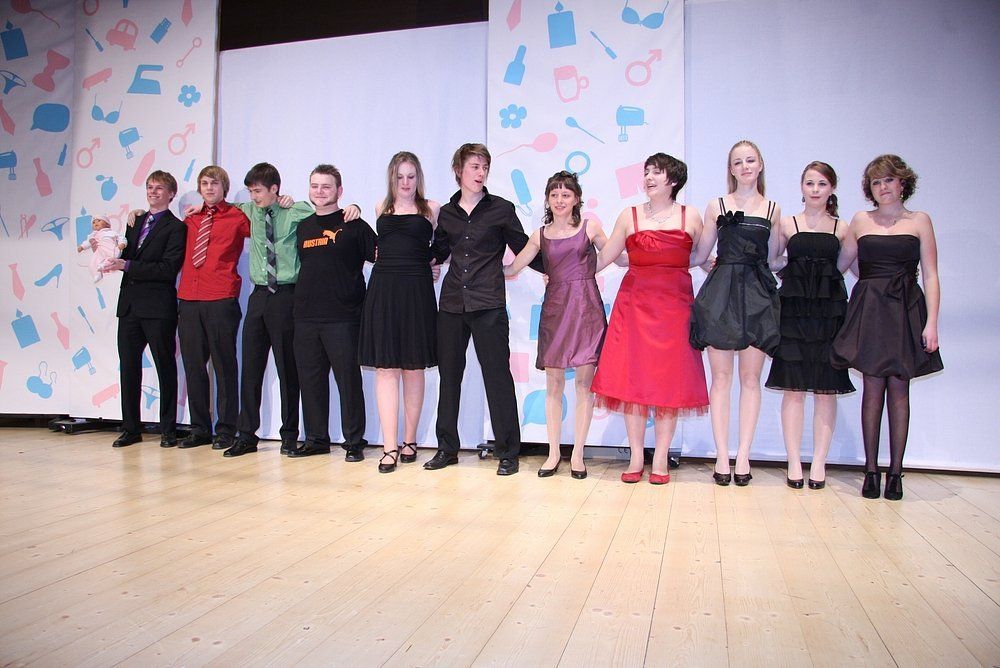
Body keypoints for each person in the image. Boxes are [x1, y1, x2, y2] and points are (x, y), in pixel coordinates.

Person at [221, 163, 361, 458]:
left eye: (258, 191)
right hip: (259, 295)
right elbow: (221, 208)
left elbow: (328, 214)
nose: (254, 196)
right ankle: (246, 434)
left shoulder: (297, 210)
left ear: (275, 189)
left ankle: (289, 435)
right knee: (251, 368)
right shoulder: (248, 210)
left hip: (287, 296)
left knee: (289, 369)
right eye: (250, 191)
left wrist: (355, 207)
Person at [424, 143, 541, 476]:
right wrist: (420, 258)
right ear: (458, 170)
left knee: (497, 376)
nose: (480, 173)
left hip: (489, 303)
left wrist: (555, 267)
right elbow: (439, 250)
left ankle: (508, 452)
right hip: (451, 304)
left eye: (485, 167)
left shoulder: (501, 208)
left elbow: (523, 246)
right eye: (474, 166)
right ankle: (447, 448)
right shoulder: (447, 213)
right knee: (449, 376)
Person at [592, 154, 709, 484]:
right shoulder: (628, 215)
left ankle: (660, 458)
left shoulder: (691, 216)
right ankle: (636, 456)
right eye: (646, 172)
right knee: (633, 381)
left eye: (657, 172)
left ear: (674, 179)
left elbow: (700, 256)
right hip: (635, 306)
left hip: (676, 308)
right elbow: (605, 258)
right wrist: (565, 274)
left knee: (669, 383)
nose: (649, 177)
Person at [831, 154, 942, 501]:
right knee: (872, 387)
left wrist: (932, 323)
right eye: (876, 182)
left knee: (899, 388)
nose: (883, 187)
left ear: (902, 182)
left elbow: (931, 275)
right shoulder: (860, 220)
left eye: (889, 180)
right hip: (871, 309)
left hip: (906, 308)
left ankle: (895, 472)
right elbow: (841, 264)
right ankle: (870, 471)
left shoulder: (920, 221)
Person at [504, 171, 612, 479]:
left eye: (566, 194)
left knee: (584, 384)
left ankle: (577, 454)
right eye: (554, 195)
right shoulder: (539, 235)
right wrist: (476, 268)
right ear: (547, 200)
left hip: (587, 310)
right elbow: (513, 267)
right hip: (555, 310)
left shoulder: (591, 227)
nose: (560, 200)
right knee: (553, 384)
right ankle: (553, 453)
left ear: (576, 199)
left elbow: (615, 255)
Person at [690, 140, 781, 486]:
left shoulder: (773, 209)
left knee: (750, 379)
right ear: (730, 169)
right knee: (722, 379)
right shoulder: (716, 205)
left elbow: (774, 259)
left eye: (750, 160)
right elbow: (701, 255)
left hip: (757, 296)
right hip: (722, 295)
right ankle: (722, 455)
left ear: (760, 165)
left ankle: (743, 455)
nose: (745, 167)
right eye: (738, 162)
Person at [765, 162, 854, 489]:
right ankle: (793, 461)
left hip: (828, 313)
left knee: (826, 389)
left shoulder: (842, 227)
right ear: (802, 187)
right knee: (793, 388)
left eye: (822, 184)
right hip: (794, 311)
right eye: (810, 183)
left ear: (832, 189)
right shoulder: (787, 223)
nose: (815, 189)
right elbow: (772, 260)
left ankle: (818, 463)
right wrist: (794, 268)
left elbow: (843, 266)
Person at [359, 152, 449, 473]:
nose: (406, 183)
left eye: (411, 176)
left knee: (413, 367)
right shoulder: (379, 208)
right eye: (400, 177)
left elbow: (444, 245)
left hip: (416, 292)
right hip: (383, 290)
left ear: (418, 177)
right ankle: (389, 446)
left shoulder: (432, 208)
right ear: (392, 178)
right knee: (386, 368)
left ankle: (410, 441)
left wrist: (433, 262)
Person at [290, 164, 376, 459]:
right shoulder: (303, 226)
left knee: (348, 381)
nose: (320, 191)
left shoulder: (355, 224)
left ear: (339, 191)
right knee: (310, 381)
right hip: (305, 317)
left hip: (344, 317)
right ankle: (316, 439)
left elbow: (384, 257)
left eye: (326, 186)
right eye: (315, 186)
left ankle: (354, 442)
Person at [106, 170, 187, 448]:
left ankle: (168, 429)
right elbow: (125, 255)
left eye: (159, 188)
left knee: (165, 367)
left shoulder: (176, 228)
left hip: (158, 308)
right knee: (128, 369)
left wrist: (128, 265)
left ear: (171, 194)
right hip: (129, 306)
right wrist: (104, 248)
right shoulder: (136, 221)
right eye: (150, 187)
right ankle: (130, 428)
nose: (153, 192)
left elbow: (167, 269)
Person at [175, 166, 251, 450]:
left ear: (224, 188)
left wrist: (283, 201)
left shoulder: (237, 216)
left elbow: (265, 222)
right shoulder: (190, 219)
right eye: (205, 183)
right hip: (189, 298)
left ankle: (226, 429)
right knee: (194, 366)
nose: (209, 188)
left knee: (224, 366)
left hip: (220, 298)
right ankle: (199, 429)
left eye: (214, 183)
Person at [78, 217, 125, 283]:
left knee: (111, 259)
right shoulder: (93, 235)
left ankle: (103, 265)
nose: (96, 223)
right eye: (93, 222)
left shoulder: (111, 232)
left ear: (107, 224)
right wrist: (82, 247)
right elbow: (88, 242)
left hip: (111, 249)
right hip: (99, 251)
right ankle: (97, 275)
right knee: (92, 264)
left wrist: (122, 243)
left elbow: (121, 237)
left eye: (99, 220)